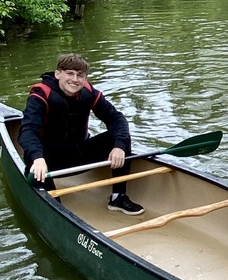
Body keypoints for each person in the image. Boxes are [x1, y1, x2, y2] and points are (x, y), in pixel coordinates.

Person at [18, 53, 145, 215]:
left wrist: (119, 146)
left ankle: (118, 197)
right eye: (69, 73)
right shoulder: (40, 95)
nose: (75, 79)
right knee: (33, 158)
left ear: (85, 79)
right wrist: (38, 158)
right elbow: (28, 131)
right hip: (49, 160)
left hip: (78, 153)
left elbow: (117, 119)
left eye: (80, 76)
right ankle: (54, 207)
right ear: (58, 74)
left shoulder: (90, 93)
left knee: (120, 136)